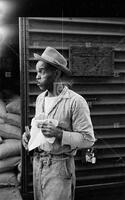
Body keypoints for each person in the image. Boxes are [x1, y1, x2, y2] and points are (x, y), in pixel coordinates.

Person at [22, 46, 96, 200]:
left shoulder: (75, 101)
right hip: (38, 164)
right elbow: (39, 129)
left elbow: (88, 140)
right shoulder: (40, 98)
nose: (37, 76)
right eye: (37, 72)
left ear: (56, 73)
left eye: (42, 71)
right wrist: (29, 137)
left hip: (60, 168)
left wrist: (60, 134)